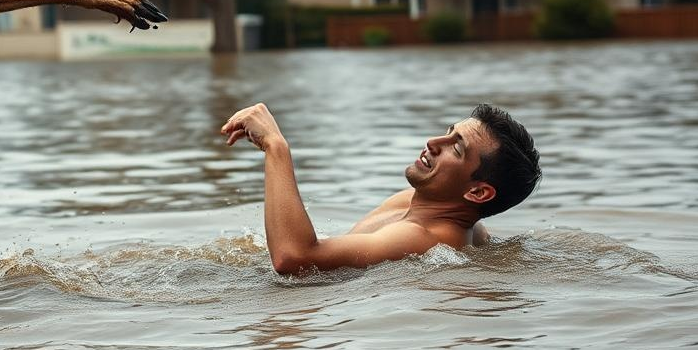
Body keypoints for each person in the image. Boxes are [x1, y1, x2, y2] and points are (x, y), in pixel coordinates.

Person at [221, 102, 541, 274]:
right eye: (447, 131)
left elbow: (293, 259)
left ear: (478, 193)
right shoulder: (430, 208)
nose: (433, 142)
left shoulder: (422, 238)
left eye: (455, 148)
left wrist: (276, 147)